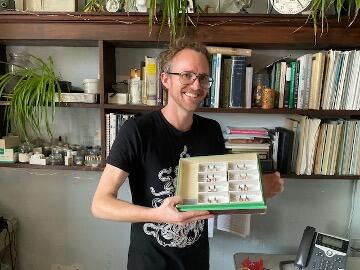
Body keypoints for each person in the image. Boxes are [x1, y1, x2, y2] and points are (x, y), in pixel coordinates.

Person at [91, 37, 284, 270]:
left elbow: (218, 200)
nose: (196, 85)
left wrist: (258, 190)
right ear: (165, 79)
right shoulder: (137, 130)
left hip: (196, 262)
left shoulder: (211, 130)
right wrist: (159, 215)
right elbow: (100, 204)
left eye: (203, 78)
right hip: (149, 264)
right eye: (186, 75)